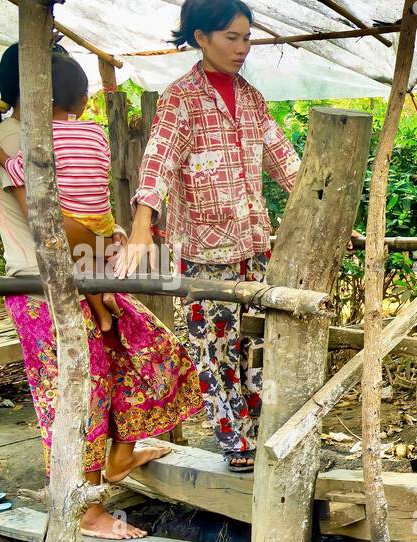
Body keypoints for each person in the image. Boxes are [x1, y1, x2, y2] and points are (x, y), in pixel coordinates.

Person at [0, 44, 202, 540]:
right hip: (44, 287)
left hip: (81, 273)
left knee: (139, 351)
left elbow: (78, 211)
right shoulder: (16, 138)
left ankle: (120, 455)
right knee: (80, 391)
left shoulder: (45, 135)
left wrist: (107, 238)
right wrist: (109, 239)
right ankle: (87, 510)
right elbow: (51, 224)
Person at [119, 0, 301, 473]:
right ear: (200, 38)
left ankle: (261, 436)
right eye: (231, 38)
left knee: (257, 345)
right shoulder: (181, 97)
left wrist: (326, 215)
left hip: (253, 244)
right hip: (204, 250)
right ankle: (236, 445)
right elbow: (157, 159)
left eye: (246, 37)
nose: (242, 48)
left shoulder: (253, 98)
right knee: (215, 349)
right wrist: (142, 223)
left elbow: (285, 161)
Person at [0, 50, 121, 332]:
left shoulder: (38, 135)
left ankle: (104, 299)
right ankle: (105, 295)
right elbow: (45, 223)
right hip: (44, 286)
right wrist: (108, 247)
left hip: (66, 270)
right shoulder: (17, 137)